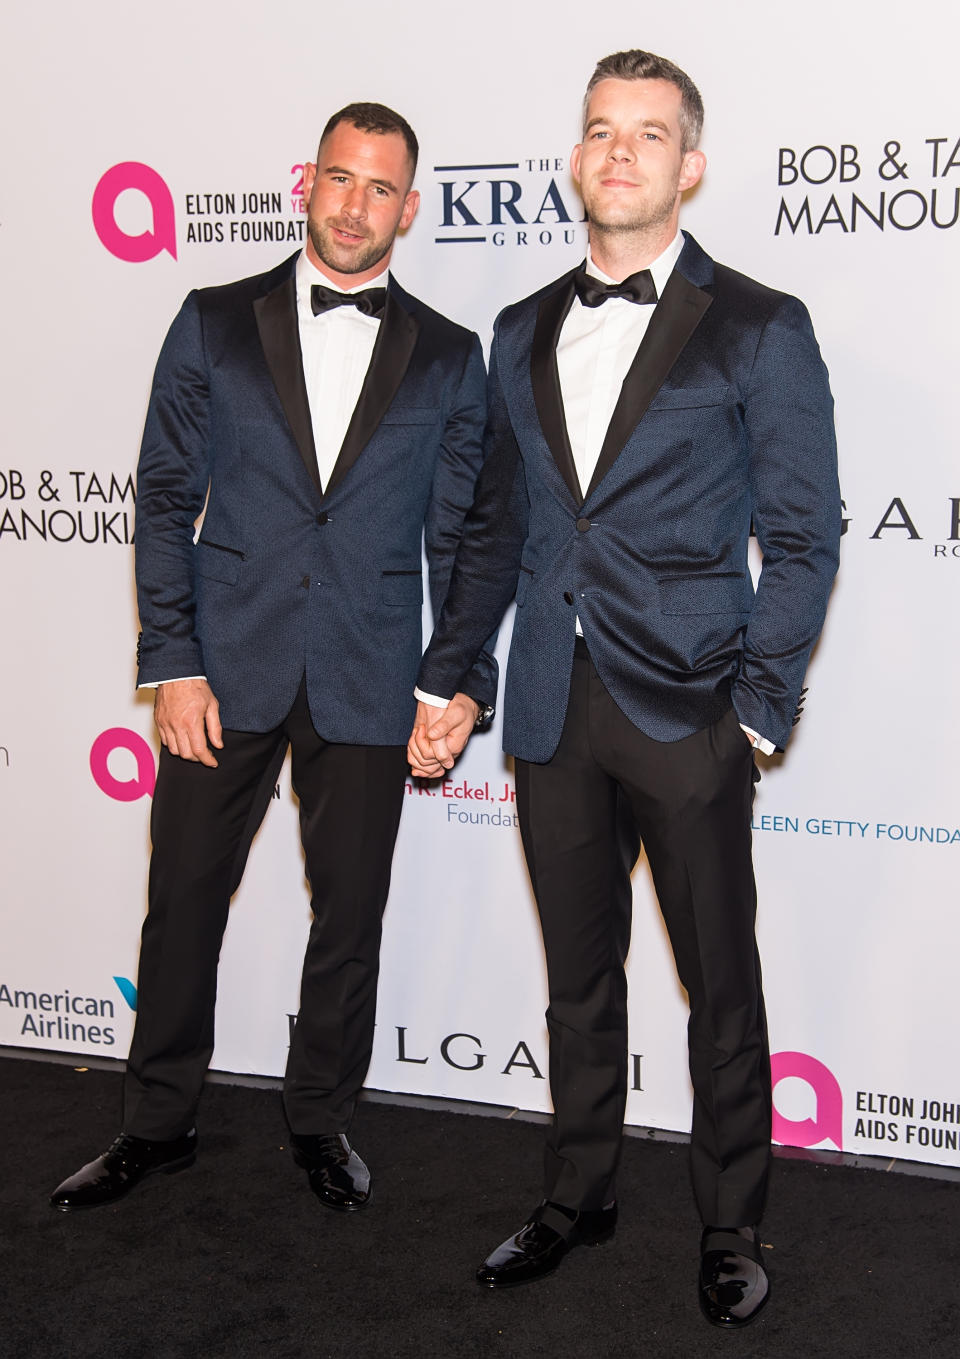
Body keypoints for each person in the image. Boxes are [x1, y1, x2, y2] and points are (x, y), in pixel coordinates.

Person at [408, 50, 841, 1328]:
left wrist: (757, 708)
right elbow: (497, 526)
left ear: (689, 166)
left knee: (720, 978)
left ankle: (730, 1220)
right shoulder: (519, 329)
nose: (620, 152)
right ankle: (578, 1191)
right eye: (601, 129)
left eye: (648, 134)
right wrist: (457, 680)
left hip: (690, 706)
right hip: (548, 701)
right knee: (579, 974)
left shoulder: (761, 325)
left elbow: (807, 537)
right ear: (577, 155)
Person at [50, 102, 494, 1215]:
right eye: (339, 179)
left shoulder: (448, 355)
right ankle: (156, 1122)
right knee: (185, 899)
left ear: (410, 206)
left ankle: (320, 1119)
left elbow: (466, 534)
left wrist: (452, 678)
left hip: (370, 668)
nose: (354, 205)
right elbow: (163, 498)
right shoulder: (211, 319)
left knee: (349, 913)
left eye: (379, 188)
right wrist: (173, 658)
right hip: (223, 666)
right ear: (309, 183)